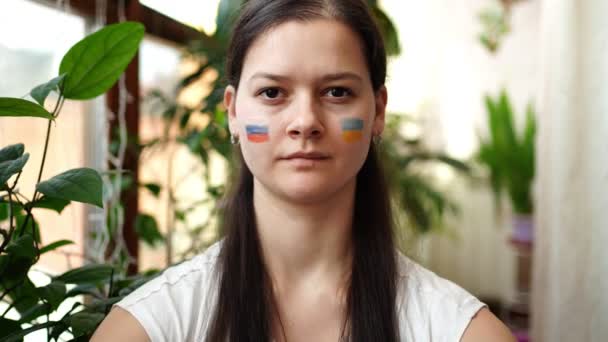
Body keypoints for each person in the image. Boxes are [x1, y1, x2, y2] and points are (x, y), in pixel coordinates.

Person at [92, 0, 516, 341]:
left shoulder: (463, 331)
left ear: (378, 111)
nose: (305, 121)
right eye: (273, 92)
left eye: (336, 92)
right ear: (233, 112)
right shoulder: (147, 327)